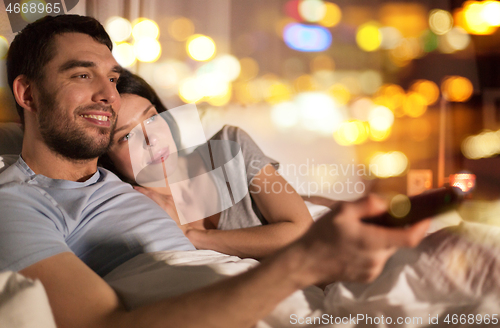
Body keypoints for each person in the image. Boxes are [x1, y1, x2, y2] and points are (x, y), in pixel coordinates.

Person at [0, 14, 429, 328]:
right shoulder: (16, 203)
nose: (107, 95)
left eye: (112, 79)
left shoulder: (135, 182)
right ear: (28, 93)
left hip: (274, 291)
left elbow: (297, 208)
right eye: (82, 74)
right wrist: (303, 263)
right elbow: (105, 324)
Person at [100, 69, 313, 259]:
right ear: (106, 156)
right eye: (127, 136)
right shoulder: (129, 207)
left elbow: (302, 232)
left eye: (152, 118)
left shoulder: (230, 149)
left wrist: (193, 236)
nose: (151, 139)